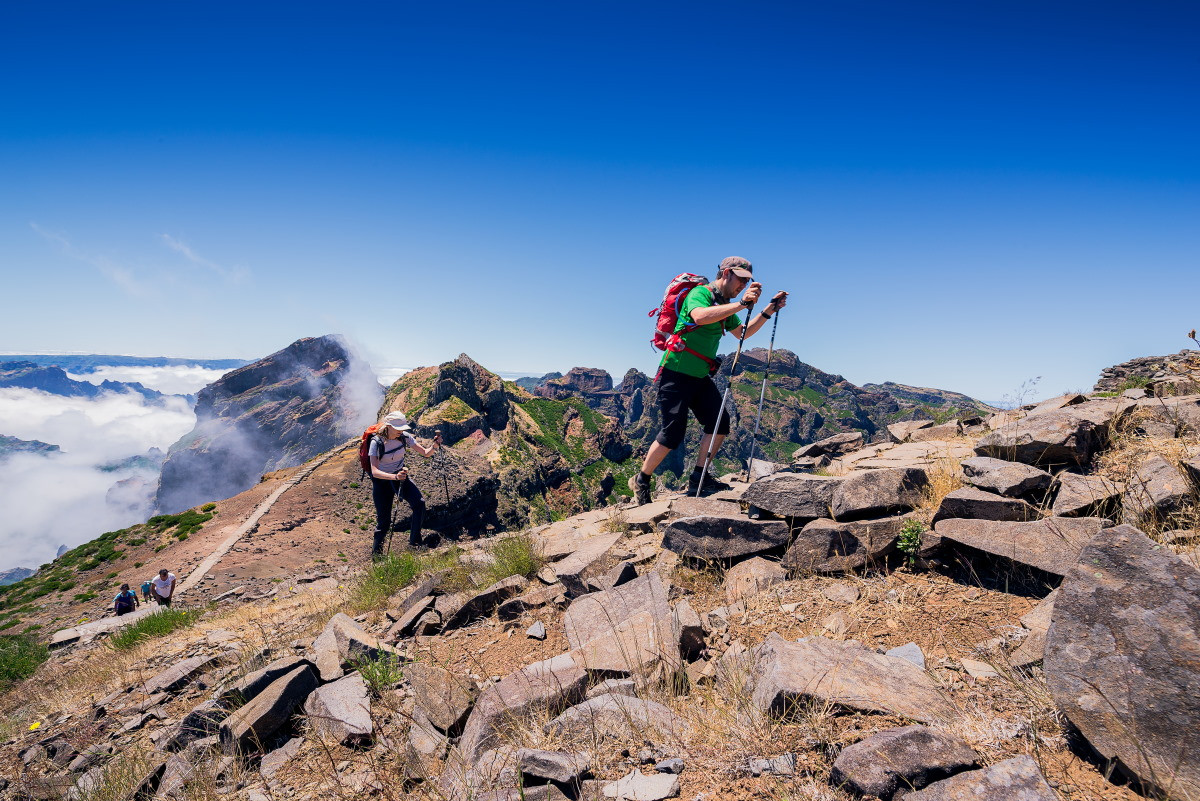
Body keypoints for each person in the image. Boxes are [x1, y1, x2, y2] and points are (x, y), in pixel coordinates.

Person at [629, 256, 788, 504]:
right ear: (726, 273)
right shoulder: (700, 294)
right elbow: (700, 317)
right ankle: (642, 480)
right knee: (672, 434)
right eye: (741, 280)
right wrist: (741, 304)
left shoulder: (726, 304)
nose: (743, 286)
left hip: (700, 376)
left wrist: (768, 309)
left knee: (719, 424)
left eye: (748, 282)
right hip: (676, 373)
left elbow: (742, 334)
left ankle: (699, 478)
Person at [368, 411, 442, 556]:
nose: (401, 431)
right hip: (383, 482)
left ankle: (414, 543)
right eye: (398, 428)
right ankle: (376, 556)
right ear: (388, 426)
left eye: (402, 428)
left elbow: (426, 453)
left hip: (400, 476)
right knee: (384, 522)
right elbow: (375, 471)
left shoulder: (404, 438)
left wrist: (434, 446)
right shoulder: (376, 443)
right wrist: (395, 477)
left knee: (419, 504)